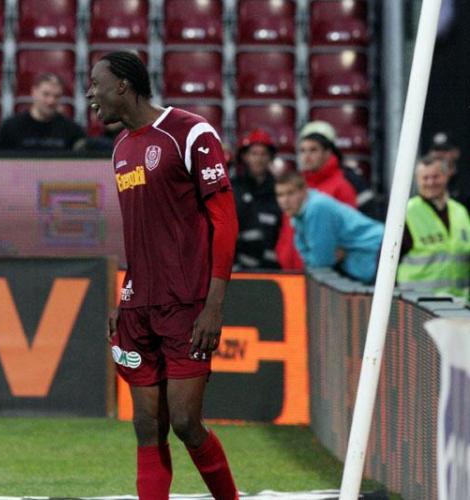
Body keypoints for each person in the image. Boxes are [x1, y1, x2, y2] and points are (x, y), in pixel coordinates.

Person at [87, 51, 239, 499]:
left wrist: (213, 306)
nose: (90, 95)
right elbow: (142, 233)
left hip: (186, 303)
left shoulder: (190, 132)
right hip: (139, 305)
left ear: (123, 85)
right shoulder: (121, 148)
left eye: (96, 84)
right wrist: (125, 295)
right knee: (146, 425)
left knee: (186, 423)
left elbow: (225, 221)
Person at [276, 121, 362, 271]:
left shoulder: (341, 187)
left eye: (313, 150)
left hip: (322, 273)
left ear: (327, 153)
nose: (307, 156)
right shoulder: (296, 184)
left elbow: (350, 232)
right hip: (291, 271)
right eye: (302, 151)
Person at [275, 171, 384, 284]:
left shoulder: (316, 208)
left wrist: (325, 257)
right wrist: (327, 256)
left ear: (304, 190)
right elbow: (306, 255)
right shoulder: (298, 215)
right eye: (280, 195)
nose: (284, 201)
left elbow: (322, 261)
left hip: (379, 251)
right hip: (368, 259)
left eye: (290, 193)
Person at [397, 154, 470, 300]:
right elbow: (387, 261)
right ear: (417, 180)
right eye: (425, 178)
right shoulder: (405, 212)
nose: (431, 182)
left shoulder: (460, 211)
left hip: (459, 303)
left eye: (436, 176)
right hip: (418, 304)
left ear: (446, 176)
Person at [0, 72, 86, 151]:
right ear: (34, 92)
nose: (51, 101)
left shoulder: (73, 131)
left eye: (56, 96)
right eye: (46, 94)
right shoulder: (10, 128)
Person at [232, 128, 281, 269]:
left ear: (270, 157)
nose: (258, 159)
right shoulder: (232, 188)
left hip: (274, 268)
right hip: (238, 267)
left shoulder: (279, 189)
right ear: (245, 156)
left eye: (263, 154)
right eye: (254, 153)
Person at [428, 131, 470, 212]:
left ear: (456, 153)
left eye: (445, 150)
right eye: (436, 150)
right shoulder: (424, 182)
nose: (439, 154)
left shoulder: (466, 183)